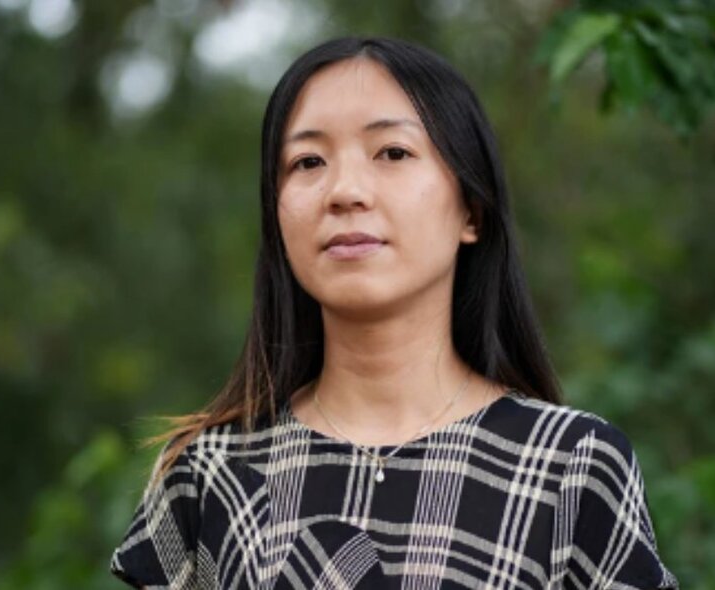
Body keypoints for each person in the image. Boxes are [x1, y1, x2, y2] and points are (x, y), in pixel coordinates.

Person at [110, 36, 678, 589]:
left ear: (471, 212)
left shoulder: (571, 467)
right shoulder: (209, 474)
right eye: (307, 161)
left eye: (393, 153)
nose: (345, 191)